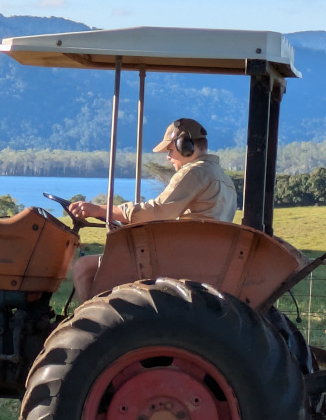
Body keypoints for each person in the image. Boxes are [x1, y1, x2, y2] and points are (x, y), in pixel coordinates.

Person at [68, 118, 237, 300]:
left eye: (170, 150)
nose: (168, 157)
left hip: (179, 259)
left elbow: (157, 211)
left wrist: (101, 210)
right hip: (203, 258)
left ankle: (90, 318)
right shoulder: (224, 178)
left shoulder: (194, 172)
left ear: (185, 146)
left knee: (83, 268)